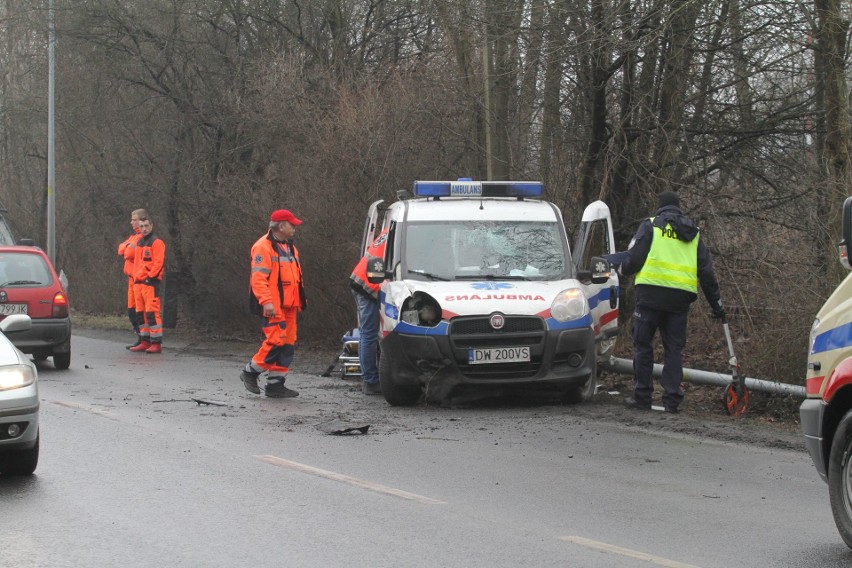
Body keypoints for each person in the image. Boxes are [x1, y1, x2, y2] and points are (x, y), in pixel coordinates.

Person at [605, 191, 724, 413]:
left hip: (650, 296)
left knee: (643, 346)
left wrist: (617, 268)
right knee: (673, 350)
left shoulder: (651, 225)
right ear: (679, 208)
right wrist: (716, 305)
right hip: (679, 300)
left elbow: (633, 260)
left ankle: (642, 397)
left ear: (660, 208)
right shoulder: (693, 234)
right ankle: (672, 400)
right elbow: (707, 274)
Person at [241, 209, 305, 398]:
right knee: (276, 341)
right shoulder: (263, 246)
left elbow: (295, 278)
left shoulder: (290, 247)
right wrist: (267, 302)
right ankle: (250, 371)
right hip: (273, 305)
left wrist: (300, 300)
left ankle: (276, 385)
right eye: (291, 224)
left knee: (287, 344)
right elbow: (258, 279)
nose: (294, 227)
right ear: (280, 226)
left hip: (290, 305)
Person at [349, 229, 389, 395]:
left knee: (368, 334)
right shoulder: (407, 229)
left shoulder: (393, 226)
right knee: (369, 334)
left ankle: (370, 379)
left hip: (363, 280)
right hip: (367, 285)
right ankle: (370, 381)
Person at [128, 217, 166, 354]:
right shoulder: (140, 242)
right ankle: (145, 340)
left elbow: (159, 262)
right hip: (138, 283)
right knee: (140, 314)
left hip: (150, 283)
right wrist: (136, 278)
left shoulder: (157, 242)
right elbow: (137, 263)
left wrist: (150, 278)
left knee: (152, 313)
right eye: (141, 226)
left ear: (151, 226)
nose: (144, 228)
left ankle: (156, 342)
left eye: (146, 226)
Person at [118, 209, 147, 349]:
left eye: (134, 219)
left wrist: (126, 248)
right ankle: (140, 337)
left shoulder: (141, 237)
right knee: (132, 310)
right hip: (131, 278)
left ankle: (144, 338)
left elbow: (128, 252)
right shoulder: (133, 237)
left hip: (138, 279)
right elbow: (120, 249)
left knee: (139, 310)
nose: (131, 222)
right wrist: (126, 247)